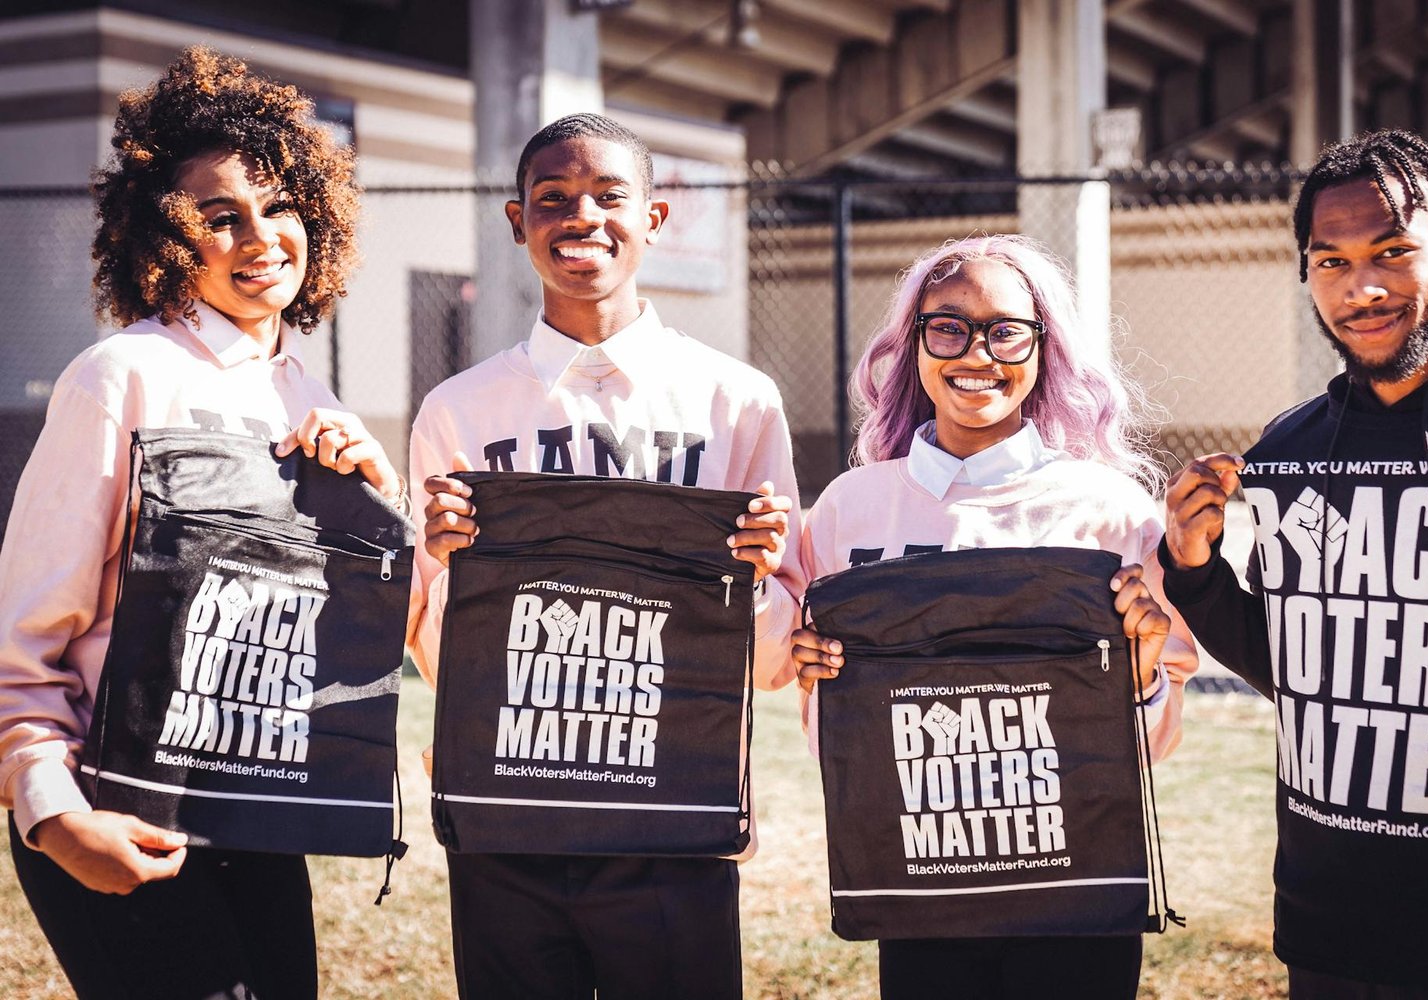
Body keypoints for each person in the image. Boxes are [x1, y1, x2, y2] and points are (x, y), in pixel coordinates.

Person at [1161, 128, 1428, 999]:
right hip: (1331, 937)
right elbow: (1297, 668)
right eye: (1330, 262)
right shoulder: (1290, 449)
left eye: (1394, 251)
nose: (1361, 288)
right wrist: (1197, 566)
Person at [0, 48, 400, 999]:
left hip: (253, 807)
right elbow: (24, 632)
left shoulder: (307, 387)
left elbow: (339, 632)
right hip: (120, 806)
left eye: (276, 205)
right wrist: (55, 814)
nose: (260, 236)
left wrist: (376, 495)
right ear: (165, 239)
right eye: (220, 218)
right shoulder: (121, 375)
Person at [408, 112, 801, 1000]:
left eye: (610, 195)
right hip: (510, 811)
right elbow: (438, 662)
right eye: (553, 199)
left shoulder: (737, 404)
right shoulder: (458, 413)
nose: (582, 216)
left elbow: (777, 661)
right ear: (518, 222)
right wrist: (450, 577)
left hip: (672, 814)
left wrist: (759, 582)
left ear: (655, 218)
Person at [790, 234, 1197, 1000]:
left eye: (1007, 329)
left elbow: (1155, 743)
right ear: (913, 344)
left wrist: (1142, 671)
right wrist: (825, 686)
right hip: (924, 875)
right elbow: (833, 739)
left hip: (1073, 875)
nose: (977, 351)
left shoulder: (1108, 510)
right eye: (948, 326)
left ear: (1046, 348)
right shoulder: (850, 508)